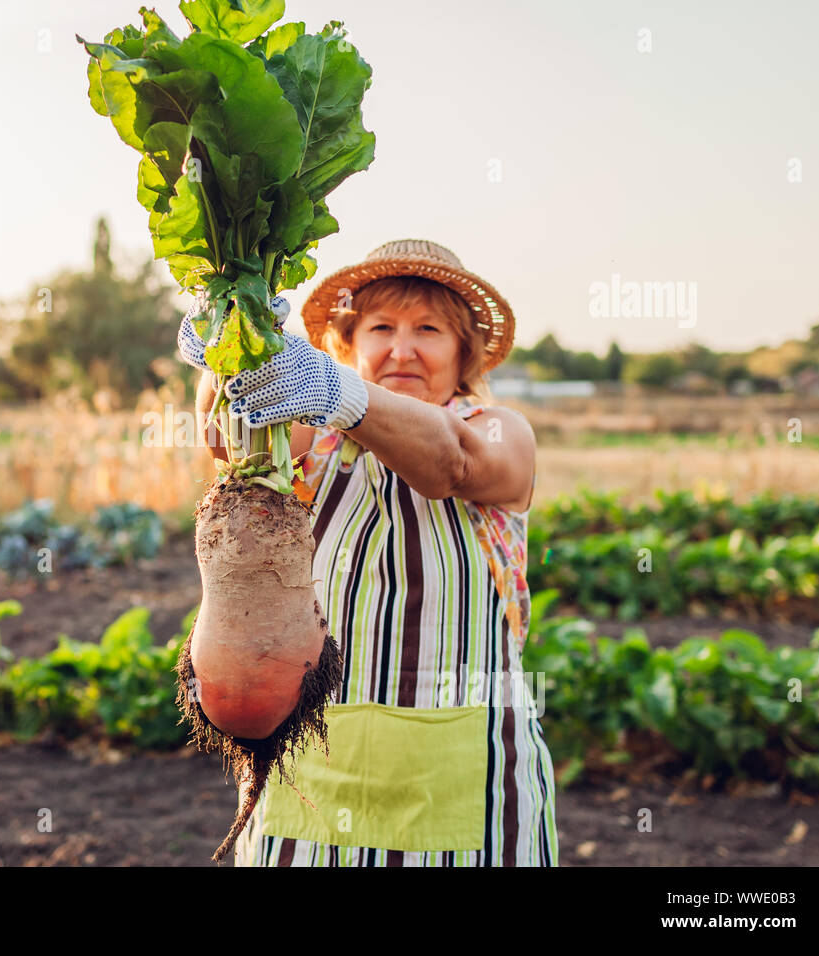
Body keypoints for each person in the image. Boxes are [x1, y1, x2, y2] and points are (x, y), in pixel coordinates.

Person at [178, 238, 558, 866]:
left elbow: (454, 460)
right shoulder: (310, 436)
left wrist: (337, 393)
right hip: (311, 777)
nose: (401, 349)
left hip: (465, 780)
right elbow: (227, 433)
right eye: (381, 327)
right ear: (348, 344)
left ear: (465, 350)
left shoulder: (496, 428)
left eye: (428, 330)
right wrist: (230, 338)